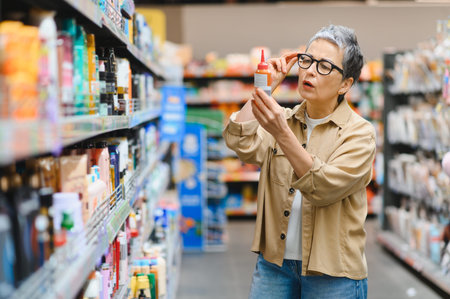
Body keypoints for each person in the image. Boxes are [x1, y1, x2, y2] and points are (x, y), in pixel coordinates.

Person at [223, 24, 375, 299]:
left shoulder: (360, 133)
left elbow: (323, 187)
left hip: (333, 274)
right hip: (274, 265)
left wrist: (282, 133)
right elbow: (239, 140)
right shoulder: (285, 118)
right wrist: (265, 88)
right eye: (307, 60)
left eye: (325, 66)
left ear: (346, 84)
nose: (311, 71)